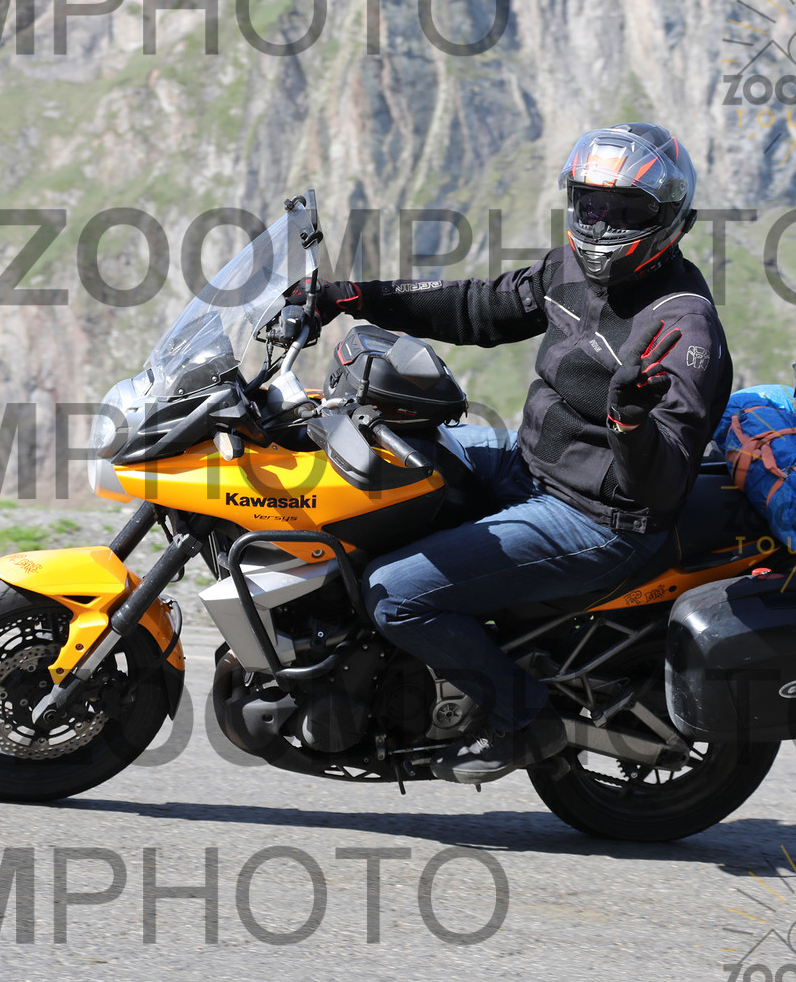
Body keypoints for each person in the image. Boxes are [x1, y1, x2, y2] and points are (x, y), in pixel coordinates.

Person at [283, 123, 733, 784]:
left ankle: (522, 717)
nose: (602, 225)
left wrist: (630, 422)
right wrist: (352, 297)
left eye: (625, 211)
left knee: (394, 593)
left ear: (669, 220)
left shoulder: (683, 329)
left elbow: (661, 483)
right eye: (590, 205)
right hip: (530, 464)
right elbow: (478, 307)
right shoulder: (570, 269)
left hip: (600, 519)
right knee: (382, 463)